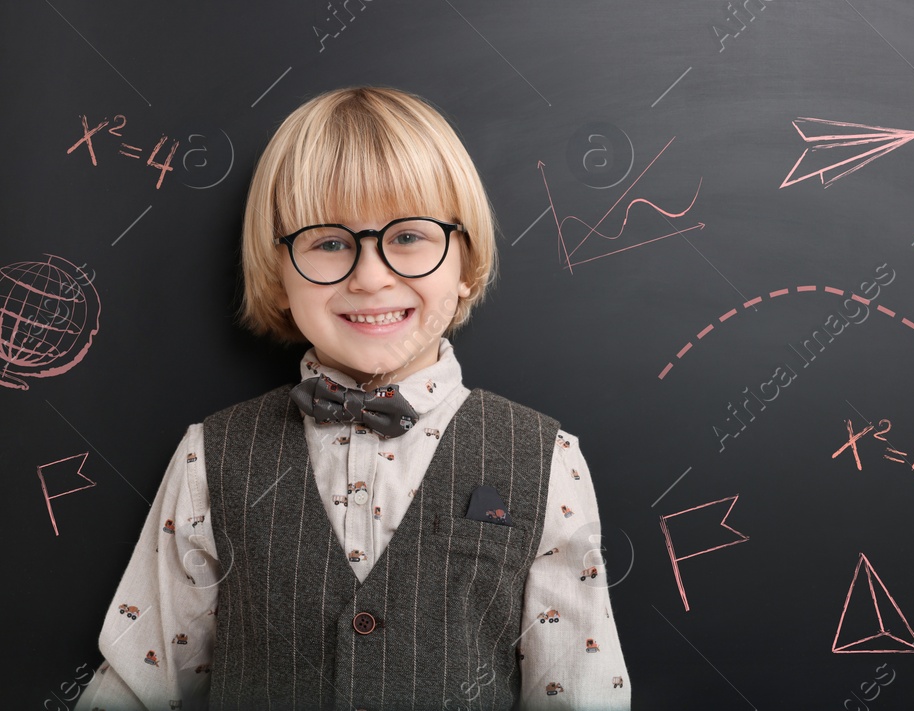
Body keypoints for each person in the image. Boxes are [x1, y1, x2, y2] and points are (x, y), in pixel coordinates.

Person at [76, 86, 629, 709]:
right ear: (277, 273)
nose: (370, 276)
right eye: (330, 242)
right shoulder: (212, 454)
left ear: (466, 261)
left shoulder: (546, 457)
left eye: (410, 237)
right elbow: (137, 681)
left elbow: (580, 694)